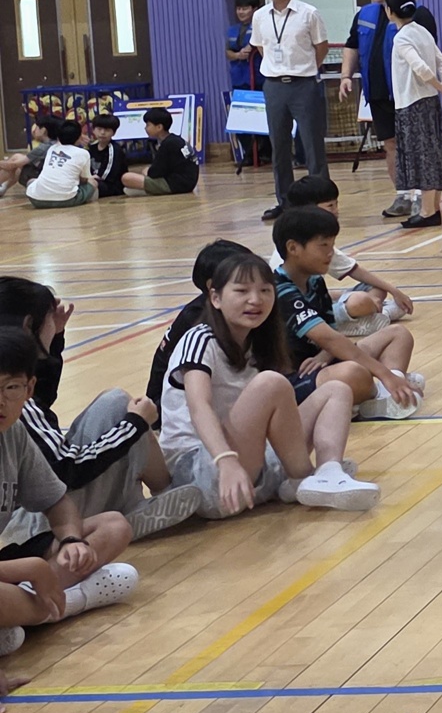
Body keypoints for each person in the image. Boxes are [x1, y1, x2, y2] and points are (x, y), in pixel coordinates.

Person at [157, 250, 379, 516]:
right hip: (203, 470)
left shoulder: (258, 342)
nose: (255, 300)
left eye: (265, 290)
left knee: (337, 390)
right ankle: (303, 477)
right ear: (215, 298)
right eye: (241, 291)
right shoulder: (200, 338)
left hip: (247, 463)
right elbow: (198, 406)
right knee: (271, 383)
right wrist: (225, 461)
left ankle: (328, 471)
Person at [0, 278, 200, 542]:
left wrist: (55, 337)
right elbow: (69, 469)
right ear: (28, 325)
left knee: (113, 406)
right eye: (49, 317)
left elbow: (41, 400)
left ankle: (141, 501)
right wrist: (134, 425)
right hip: (33, 522)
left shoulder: (14, 386)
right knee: (118, 406)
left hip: (26, 513)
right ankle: (138, 504)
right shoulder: (13, 400)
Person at [0, 329, 142, 655]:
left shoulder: (14, 433)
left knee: (112, 526)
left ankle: (21, 614)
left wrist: (71, 540)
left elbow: (57, 502)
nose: (1, 401)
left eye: (11, 387)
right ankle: (65, 603)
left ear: (29, 388)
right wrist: (32, 570)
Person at [273, 206, 424, 420]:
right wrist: (384, 373)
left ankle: (390, 393)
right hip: (296, 378)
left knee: (399, 334)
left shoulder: (314, 281)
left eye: (333, 245)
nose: (330, 253)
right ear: (293, 248)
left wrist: (324, 354)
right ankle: (386, 390)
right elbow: (328, 338)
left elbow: (331, 336)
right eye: (323, 245)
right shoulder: (280, 289)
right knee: (354, 373)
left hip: (322, 362)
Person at [342, 0, 441, 220]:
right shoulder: (364, 13)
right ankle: (403, 195)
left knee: (416, 146)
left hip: (409, 95)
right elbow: (352, 46)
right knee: (391, 145)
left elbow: (430, 54)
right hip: (377, 93)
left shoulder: (418, 15)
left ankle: (422, 197)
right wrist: (345, 76)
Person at [279, 176, 415, 336]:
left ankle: (370, 312)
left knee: (374, 288)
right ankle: (376, 315)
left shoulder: (318, 255)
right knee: (360, 301)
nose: (336, 210)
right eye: (330, 206)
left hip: (317, 300)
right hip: (300, 312)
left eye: (337, 204)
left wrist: (394, 291)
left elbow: (353, 270)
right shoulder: (301, 245)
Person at [250, 0, 330, 220]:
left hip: (304, 84)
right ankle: (285, 201)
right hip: (274, 86)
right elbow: (261, 47)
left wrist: (305, 69)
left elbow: (321, 46)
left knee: (311, 145)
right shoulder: (261, 15)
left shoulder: (309, 13)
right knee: (279, 146)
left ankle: (321, 201)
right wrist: (278, 68)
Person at [381, 0, 442, 229]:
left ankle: (427, 211)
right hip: (430, 101)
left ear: (390, 11)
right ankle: (433, 207)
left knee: (421, 155)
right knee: (433, 152)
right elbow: (441, 61)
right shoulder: (422, 31)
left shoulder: (402, 37)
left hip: (412, 104)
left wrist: (439, 85)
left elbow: (421, 68)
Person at [147, 241, 255, 404]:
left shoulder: (239, 312)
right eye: (242, 283)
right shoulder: (198, 323)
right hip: (169, 406)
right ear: (212, 286)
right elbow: (200, 405)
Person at [225, 0, 268, 166]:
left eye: (245, 8)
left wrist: (250, 50)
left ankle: (265, 153)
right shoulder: (232, 30)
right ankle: (249, 154)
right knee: (242, 118)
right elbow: (227, 51)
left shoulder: (262, 26)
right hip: (239, 79)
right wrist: (237, 55)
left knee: (264, 118)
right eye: (239, 9)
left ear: (255, 9)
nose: (241, 12)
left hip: (259, 79)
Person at [120, 107, 201, 196]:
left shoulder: (167, 144)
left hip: (176, 185)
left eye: (148, 125)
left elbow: (154, 173)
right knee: (129, 189)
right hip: (187, 183)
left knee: (127, 178)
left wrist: (146, 171)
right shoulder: (175, 139)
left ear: (159, 127)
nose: (145, 128)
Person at [25, 120, 95, 209]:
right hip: (67, 200)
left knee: (31, 182)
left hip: (36, 200)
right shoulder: (83, 153)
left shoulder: (52, 148)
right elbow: (85, 179)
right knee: (93, 182)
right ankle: (91, 209)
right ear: (79, 137)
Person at [0, 114, 61, 195]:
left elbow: (12, 165)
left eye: (37, 127)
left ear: (43, 130)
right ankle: (3, 187)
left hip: (40, 180)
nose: (34, 130)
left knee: (17, 159)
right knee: (20, 163)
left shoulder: (43, 148)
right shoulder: (57, 143)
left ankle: (2, 185)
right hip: (53, 179)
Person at [85, 113, 128, 199]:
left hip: (110, 186)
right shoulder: (90, 147)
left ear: (114, 133)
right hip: (94, 180)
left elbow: (108, 174)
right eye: (99, 129)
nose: (102, 133)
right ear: (93, 130)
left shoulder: (115, 149)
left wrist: (91, 179)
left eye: (107, 130)